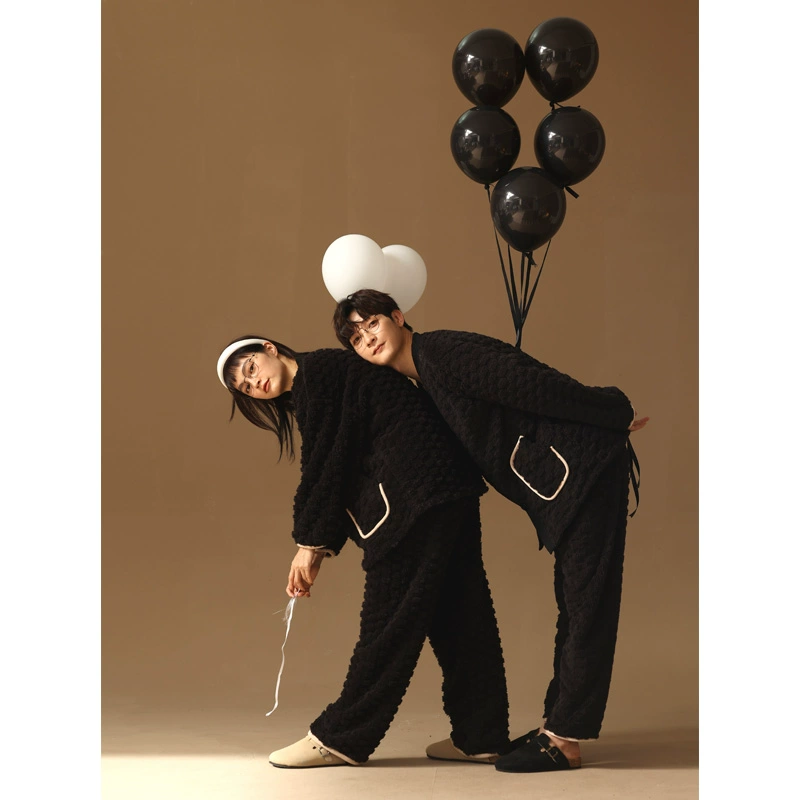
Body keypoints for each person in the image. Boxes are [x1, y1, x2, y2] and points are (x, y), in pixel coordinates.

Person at [332, 289, 650, 774]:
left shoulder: (442, 352)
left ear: (397, 316)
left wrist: (613, 410)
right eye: (355, 337)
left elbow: (533, 383)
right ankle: (558, 726)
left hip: (584, 470)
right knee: (576, 603)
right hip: (566, 483)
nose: (367, 338)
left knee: (588, 606)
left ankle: (564, 741)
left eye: (371, 323)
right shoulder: (425, 376)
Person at [216, 335, 511, 768]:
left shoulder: (320, 375)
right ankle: (482, 736)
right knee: (462, 615)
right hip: (447, 492)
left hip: (414, 503)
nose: (254, 384)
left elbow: (326, 466)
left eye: (251, 368)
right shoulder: (322, 378)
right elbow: (342, 457)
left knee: (387, 626)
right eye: (245, 387)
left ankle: (341, 739)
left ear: (269, 348)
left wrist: (309, 547)